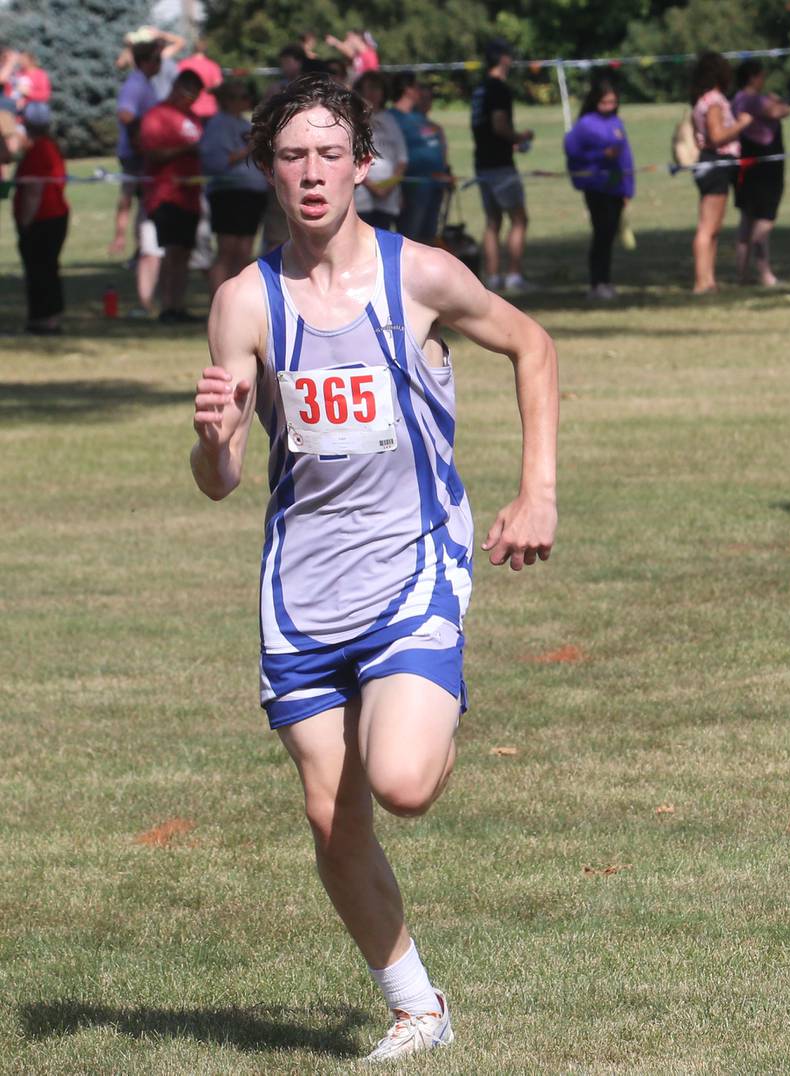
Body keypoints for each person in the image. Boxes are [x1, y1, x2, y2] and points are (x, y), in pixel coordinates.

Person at [189, 73, 557, 1062]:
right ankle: (417, 1006)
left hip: (412, 563)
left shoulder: (419, 275)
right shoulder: (244, 302)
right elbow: (220, 478)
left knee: (399, 780)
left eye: (329, 152)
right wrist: (216, 439)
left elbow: (531, 346)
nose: (313, 173)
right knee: (328, 812)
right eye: (293, 155)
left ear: (363, 162)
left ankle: (425, 683)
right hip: (303, 590)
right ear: (269, 169)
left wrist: (538, 493)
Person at [139, 69, 205, 322]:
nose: (192, 100)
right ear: (178, 88)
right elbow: (153, 153)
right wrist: (187, 149)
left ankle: (178, 305)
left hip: (191, 195)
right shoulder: (157, 116)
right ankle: (166, 306)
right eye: (190, 94)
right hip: (166, 193)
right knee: (172, 250)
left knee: (185, 252)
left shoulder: (192, 118)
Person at [470, 40, 534, 292]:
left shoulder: (480, 89)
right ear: (504, 59)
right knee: (519, 219)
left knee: (492, 221)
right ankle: (514, 276)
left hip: (482, 161)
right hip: (499, 164)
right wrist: (518, 138)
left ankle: (493, 277)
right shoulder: (498, 89)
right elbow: (498, 125)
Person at [562, 78, 634, 300]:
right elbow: (572, 151)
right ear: (595, 101)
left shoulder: (616, 122)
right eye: (605, 102)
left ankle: (606, 281)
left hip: (615, 187)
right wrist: (601, 156)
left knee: (610, 235)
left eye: (613, 102)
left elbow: (625, 158)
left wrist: (628, 189)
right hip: (596, 188)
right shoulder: (585, 125)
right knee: (601, 234)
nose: (609, 106)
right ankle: (597, 283)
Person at [112, 38, 166, 316]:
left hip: (141, 156)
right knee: (137, 204)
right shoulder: (135, 84)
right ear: (146, 62)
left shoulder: (144, 82)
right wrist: (140, 139)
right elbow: (125, 114)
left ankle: (141, 247)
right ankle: (134, 246)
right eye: (157, 59)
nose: (160, 64)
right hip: (135, 157)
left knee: (147, 210)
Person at [690, 51, 750, 294]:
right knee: (708, 227)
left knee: (712, 227)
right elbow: (716, 136)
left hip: (709, 163)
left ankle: (708, 280)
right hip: (717, 163)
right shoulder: (714, 101)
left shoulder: (700, 99)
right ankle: (701, 282)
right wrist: (741, 124)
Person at [731, 59, 790, 287]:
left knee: (747, 218)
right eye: (760, 76)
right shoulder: (753, 99)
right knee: (764, 219)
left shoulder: (738, 98)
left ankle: (742, 271)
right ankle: (764, 272)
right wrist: (785, 103)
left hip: (747, 163)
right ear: (752, 77)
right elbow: (779, 112)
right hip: (765, 165)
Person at [201, 79, 268, 291]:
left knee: (244, 251)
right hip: (229, 192)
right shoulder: (218, 125)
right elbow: (217, 162)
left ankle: (237, 301)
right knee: (227, 250)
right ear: (228, 101)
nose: (248, 100)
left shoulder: (243, 123)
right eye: (242, 97)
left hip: (252, 193)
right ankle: (219, 300)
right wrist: (250, 147)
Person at [13, 101, 67, 335]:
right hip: (53, 217)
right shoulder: (47, 146)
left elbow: (34, 192)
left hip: (43, 219)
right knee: (46, 268)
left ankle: (44, 320)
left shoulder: (38, 150)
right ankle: (45, 317)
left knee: (40, 270)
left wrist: (25, 223)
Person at [389, 73, 451, 243]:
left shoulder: (420, 117)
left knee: (429, 238)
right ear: (407, 90)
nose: (421, 92)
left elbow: (435, 138)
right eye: (418, 87)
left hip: (435, 186)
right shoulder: (392, 118)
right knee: (411, 239)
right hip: (412, 187)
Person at [354, 71, 407, 233]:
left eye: (377, 88)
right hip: (362, 195)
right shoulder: (355, 119)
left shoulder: (390, 120)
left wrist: (388, 187)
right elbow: (351, 155)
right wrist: (371, 185)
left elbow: (402, 158)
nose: (373, 93)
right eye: (368, 88)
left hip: (388, 196)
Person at [178, 38, 223, 121]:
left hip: (188, 108)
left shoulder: (183, 64)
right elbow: (219, 87)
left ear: (193, 49)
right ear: (206, 50)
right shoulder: (213, 66)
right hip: (209, 110)